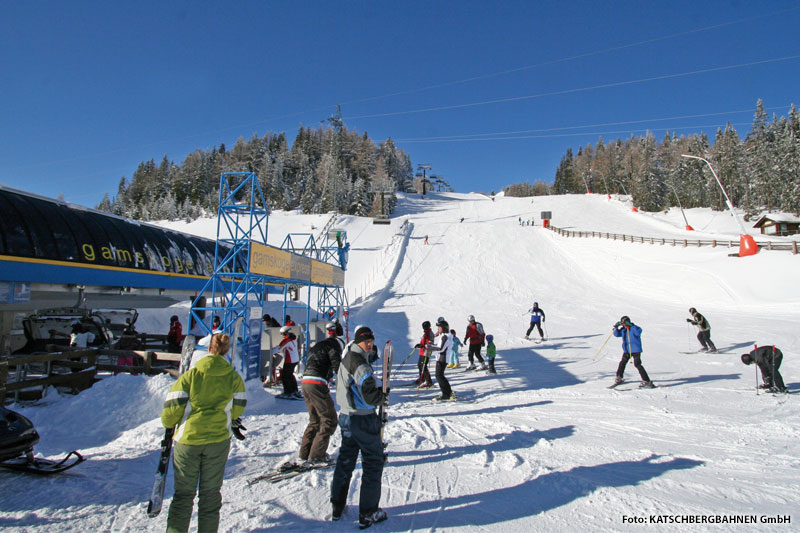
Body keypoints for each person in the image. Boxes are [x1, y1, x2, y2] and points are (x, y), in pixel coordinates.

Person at [161, 333, 247, 533]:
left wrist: (170, 423)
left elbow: (172, 407)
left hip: (189, 439)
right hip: (218, 439)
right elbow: (239, 405)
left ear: (208, 349)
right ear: (226, 351)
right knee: (210, 495)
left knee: (183, 495)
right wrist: (226, 417)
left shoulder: (191, 375)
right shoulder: (233, 376)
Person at [330, 326, 388, 528]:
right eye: (366, 342)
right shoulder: (359, 362)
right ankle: (369, 512)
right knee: (373, 461)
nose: (370, 344)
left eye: (371, 341)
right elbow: (368, 392)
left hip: (347, 416)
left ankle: (337, 505)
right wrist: (381, 397)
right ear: (357, 342)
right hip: (361, 419)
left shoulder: (348, 357)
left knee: (346, 460)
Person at [299, 323, 345, 464]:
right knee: (329, 419)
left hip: (305, 381)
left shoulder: (318, 345)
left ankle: (305, 453)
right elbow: (338, 366)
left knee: (315, 420)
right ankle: (317, 455)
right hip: (317, 382)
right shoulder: (334, 346)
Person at [612, 316, 654, 388]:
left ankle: (646, 380)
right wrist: (615, 328)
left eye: (624, 323)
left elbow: (639, 331)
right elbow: (616, 334)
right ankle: (619, 377)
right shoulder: (623, 330)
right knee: (622, 363)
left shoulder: (633, 328)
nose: (623, 325)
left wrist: (632, 325)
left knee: (637, 364)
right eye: (622, 323)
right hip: (627, 350)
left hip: (635, 350)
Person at [430, 318, 455, 401]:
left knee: (439, 376)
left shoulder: (445, 336)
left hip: (442, 358)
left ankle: (446, 393)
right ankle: (447, 392)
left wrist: (430, 348)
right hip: (442, 358)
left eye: (439, 327)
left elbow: (440, 348)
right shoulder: (445, 336)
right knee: (440, 376)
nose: (438, 329)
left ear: (444, 328)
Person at [276, 325, 301, 399]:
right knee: (290, 375)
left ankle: (288, 392)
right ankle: (294, 390)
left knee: (285, 376)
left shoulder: (286, 340)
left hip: (289, 360)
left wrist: (271, 351)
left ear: (286, 333)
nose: (282, 336)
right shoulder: (293, 338)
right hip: (295, 359)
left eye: (282, 334)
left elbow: (279, 348)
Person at [413, 321, 435, 388]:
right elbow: (424, 341)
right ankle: (422, 378)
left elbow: (430, 343)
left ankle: (428, 381)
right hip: (422, 352)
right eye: (423, 327)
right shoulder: (426, 333)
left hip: (426, 352)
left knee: (423, 366)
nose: (424, 328)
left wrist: (423, 346)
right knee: (420, 365)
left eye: (425, 327)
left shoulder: (430, 333)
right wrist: (420, 345)